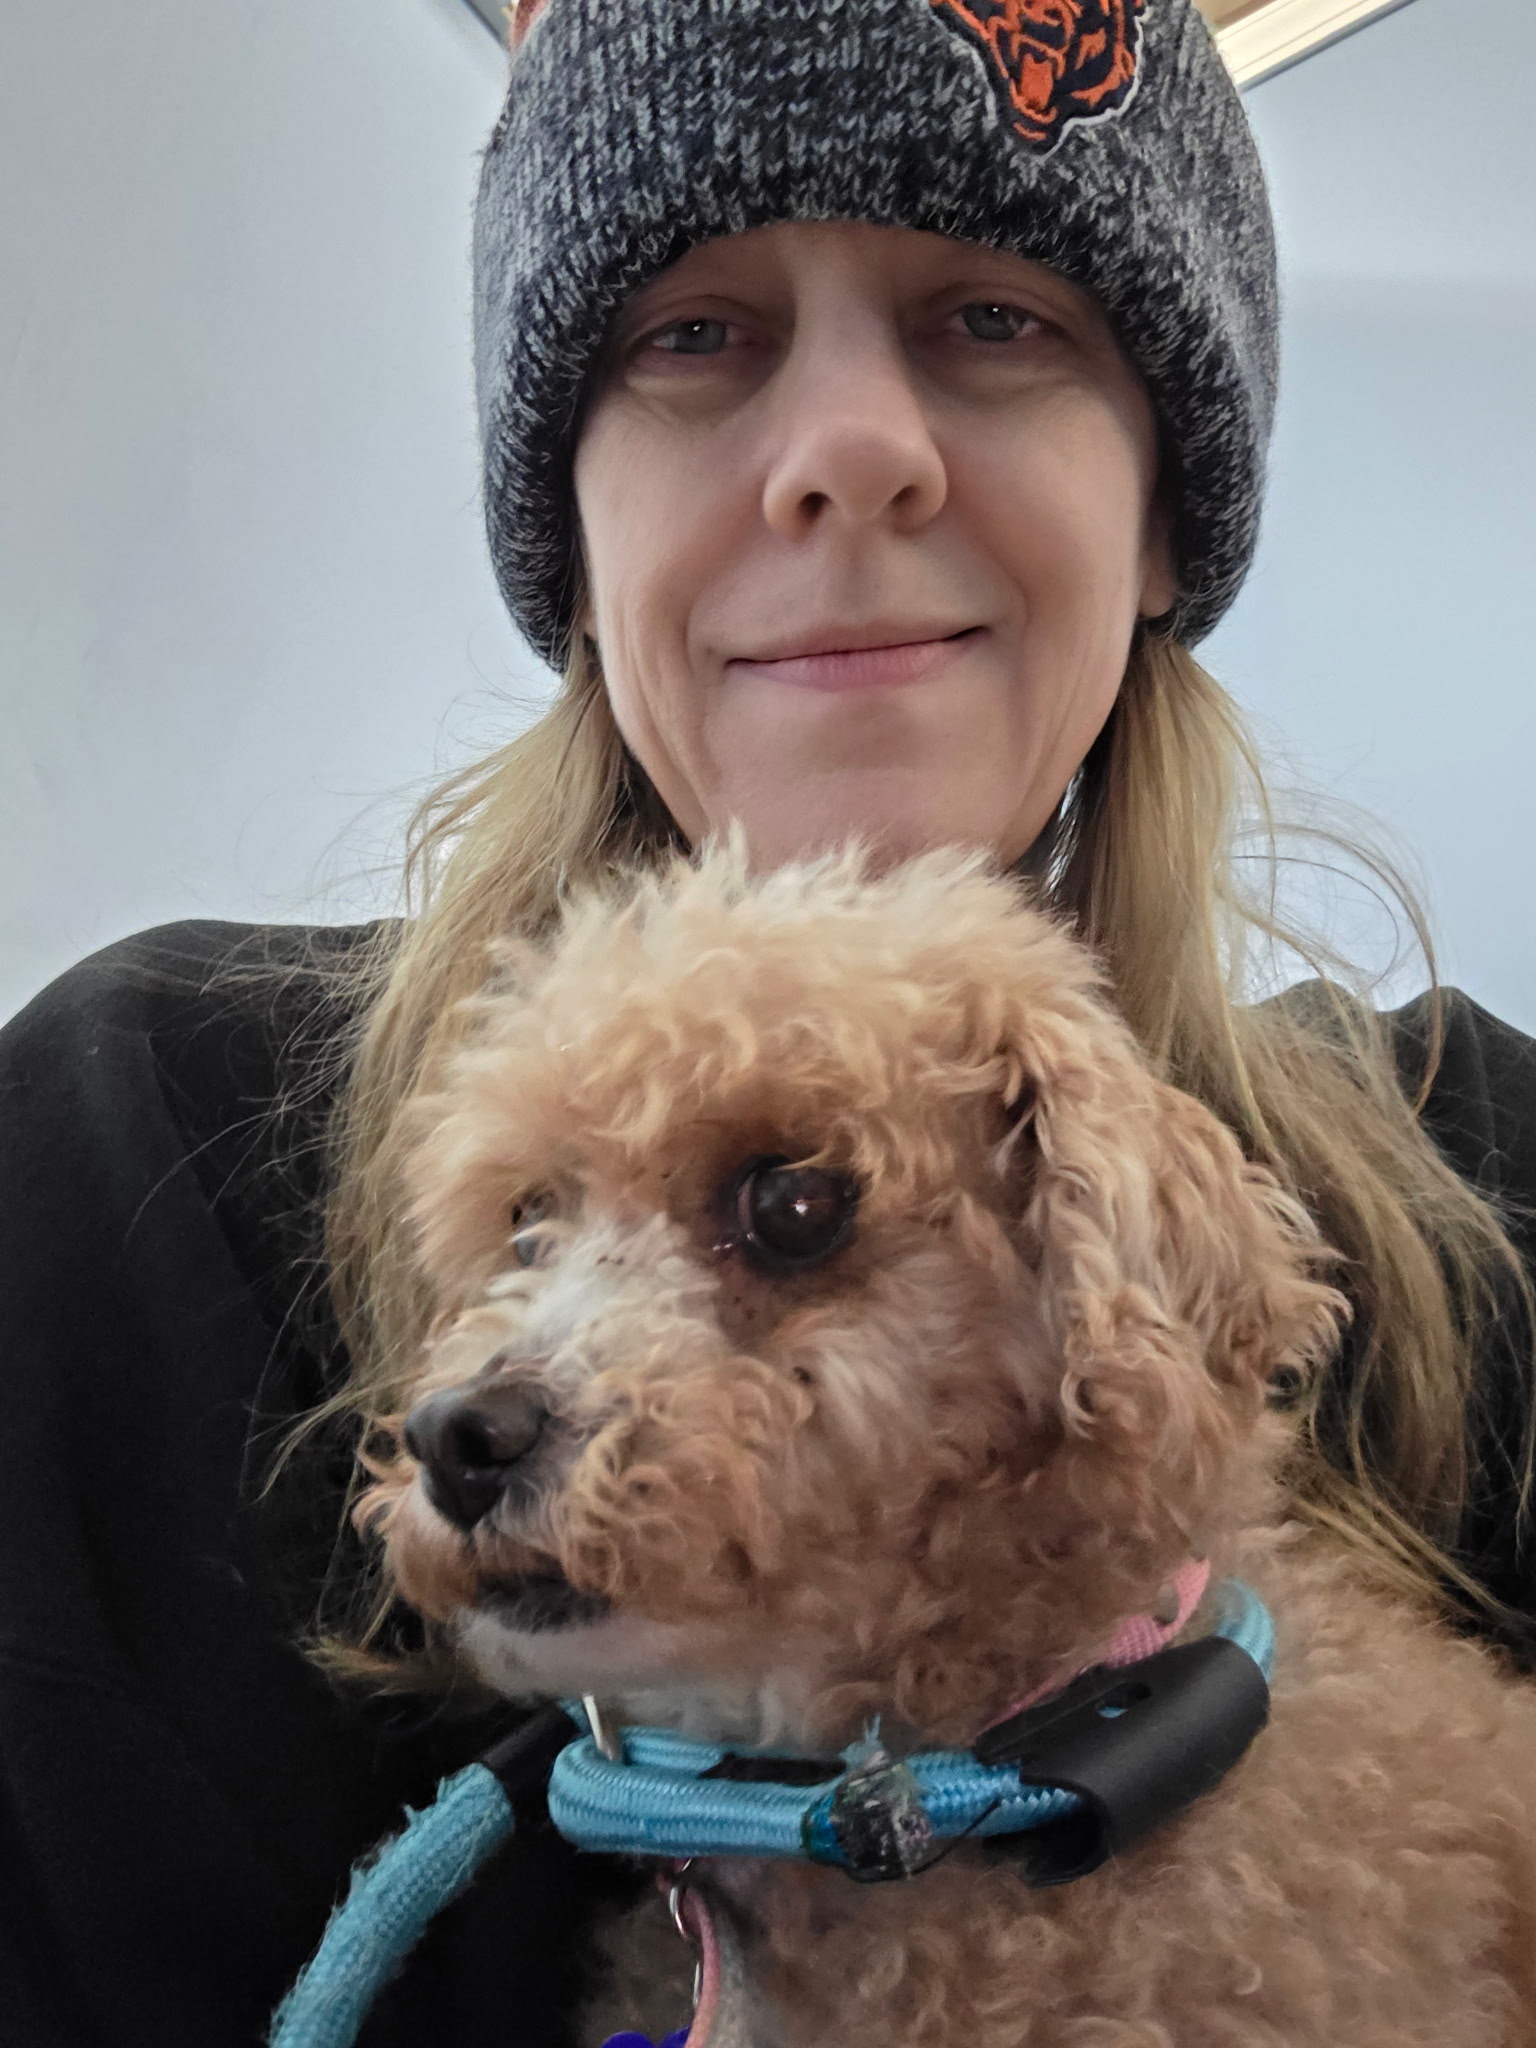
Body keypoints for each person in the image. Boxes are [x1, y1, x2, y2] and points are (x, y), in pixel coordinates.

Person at [3, 1, 1533, 2043]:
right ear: (571, 523)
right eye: (690, 335)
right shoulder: (117, 1152)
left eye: (995, 315)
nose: (848, 456)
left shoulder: (1486, 1150)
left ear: (1170, 498)